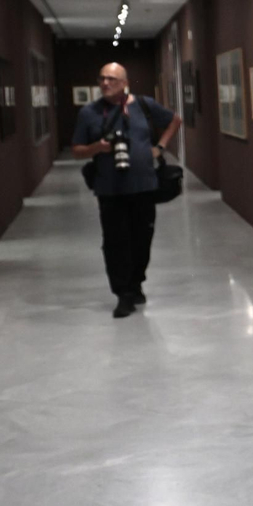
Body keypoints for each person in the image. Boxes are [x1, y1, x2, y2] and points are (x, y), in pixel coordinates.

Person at [71, 62, 181, 318]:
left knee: (142, 239)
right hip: (109, 188)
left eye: (112, 79)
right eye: (102, 79)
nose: (105, 83)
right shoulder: (90, 113)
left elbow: (175, 120)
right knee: (115, 242)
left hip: (143, 186)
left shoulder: (144, 106)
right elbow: (77, 150)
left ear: (124, 83)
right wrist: (96, 148)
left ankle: (137, 282)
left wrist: (160, 147)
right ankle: (123, 294)